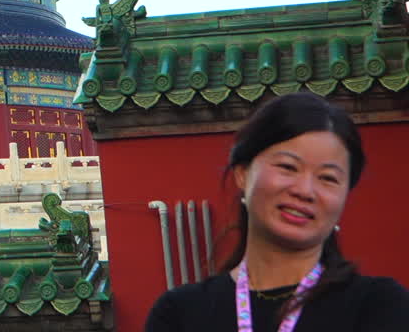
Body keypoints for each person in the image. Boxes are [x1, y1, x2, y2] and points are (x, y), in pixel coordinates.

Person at [145, 93, 409, 331]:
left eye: (328, 178)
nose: (305, 190)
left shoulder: (380, 307)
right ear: (242, 173)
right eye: (288, 167)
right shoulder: (180, 314)